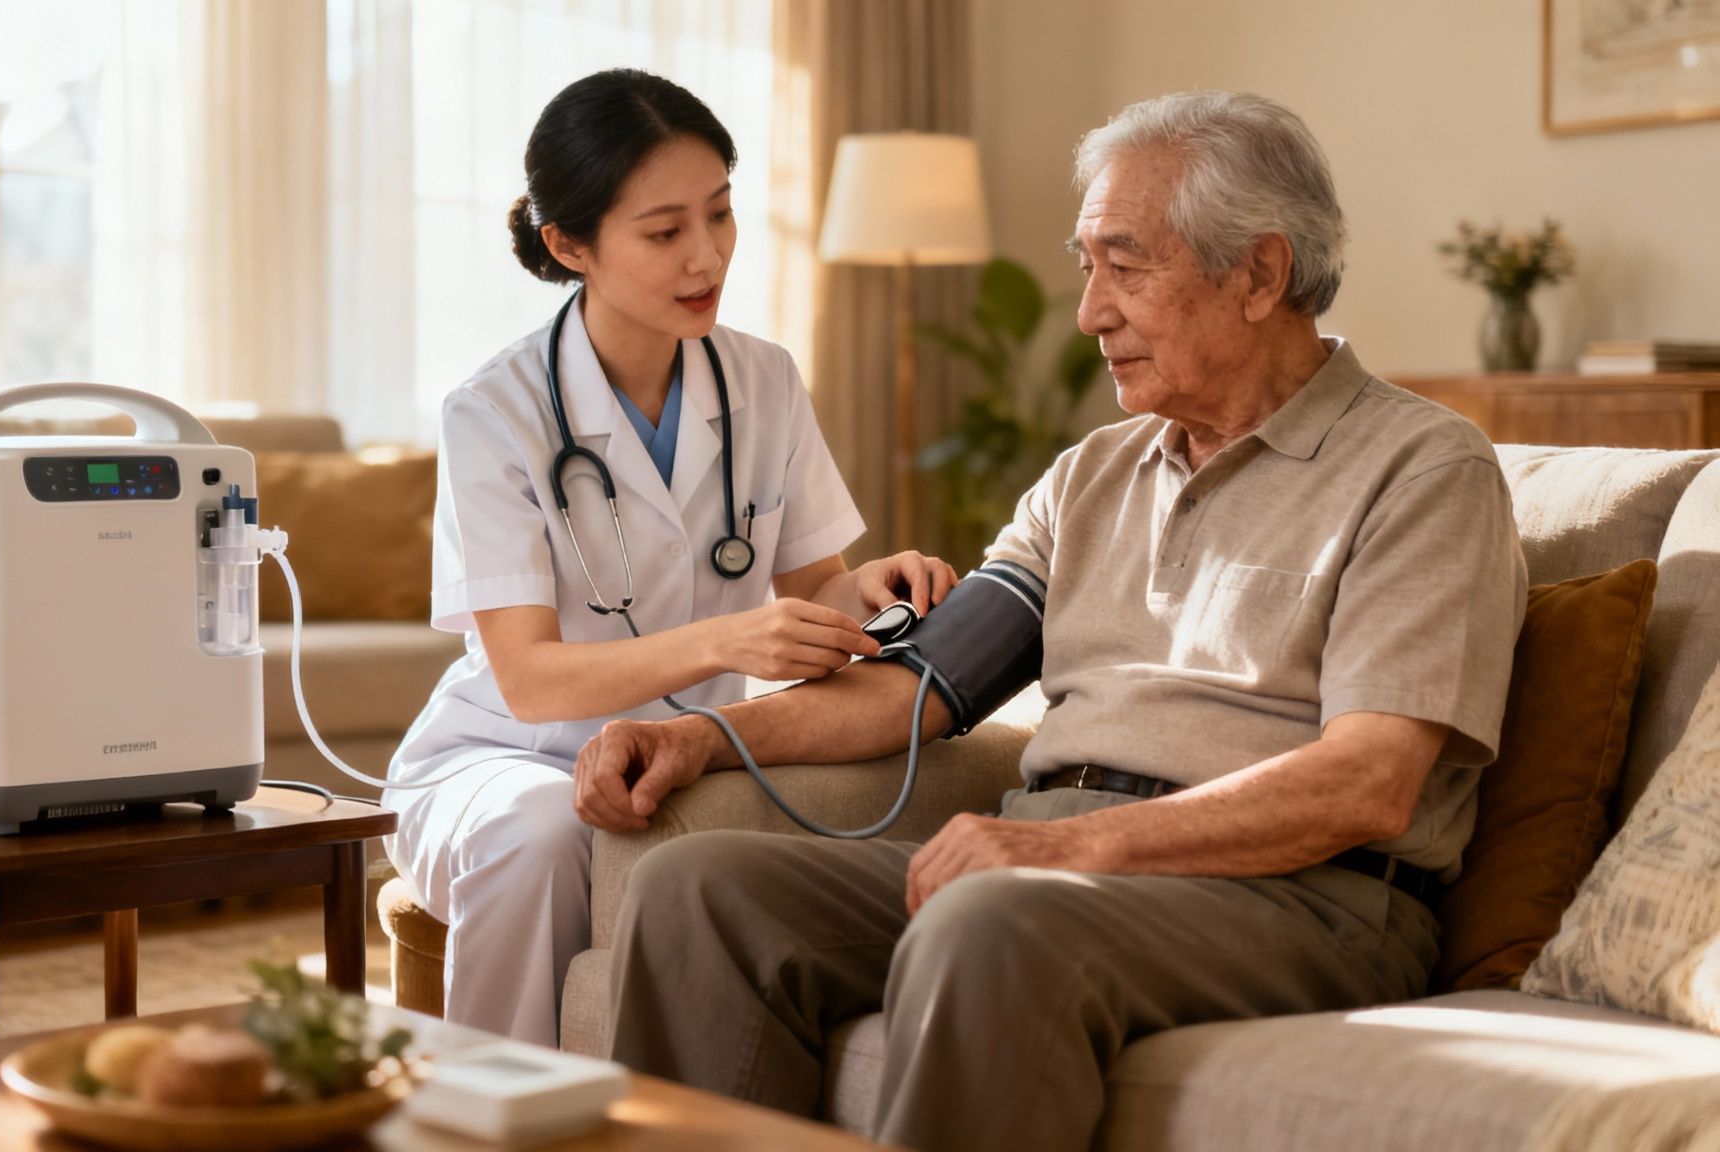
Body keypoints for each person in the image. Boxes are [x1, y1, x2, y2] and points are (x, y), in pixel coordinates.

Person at [574, 91, 1530, 1150]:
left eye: (1125, 266)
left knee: (991, 920)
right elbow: (916, 690)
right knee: (694, 890)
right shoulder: (1091, 476)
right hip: (1053, 867)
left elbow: (1368, 781)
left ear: (1258, 273)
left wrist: (1078, 849)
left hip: (1302, 897)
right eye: (1086, 267)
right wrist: (697, 735)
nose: (1088, 313)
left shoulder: (1421, 469)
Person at [381, 69, 959, 1046]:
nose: (707, 256)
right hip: (504, 760)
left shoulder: (762, 379)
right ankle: (490, 1119)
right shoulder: (496, 413)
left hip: (679, 761)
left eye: (720, 215)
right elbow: (526, 680)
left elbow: (816, 586)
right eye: (663, 232)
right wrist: (725, 641)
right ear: (570, 245)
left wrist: (873, 587)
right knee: (543, 834)